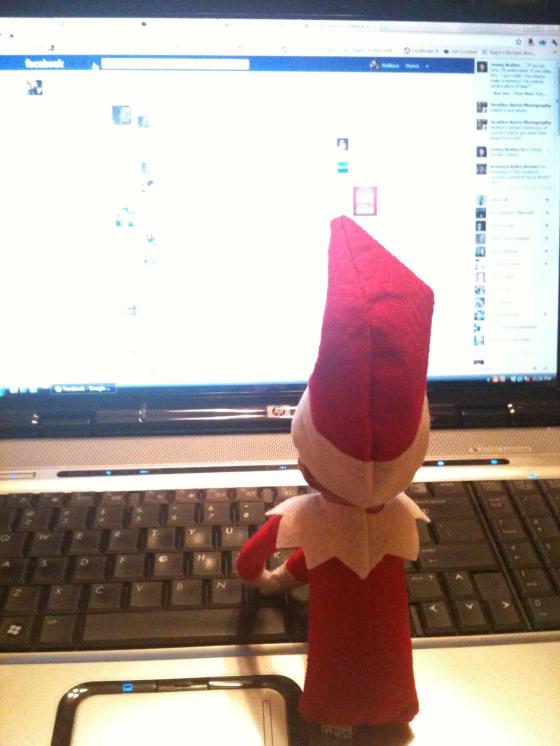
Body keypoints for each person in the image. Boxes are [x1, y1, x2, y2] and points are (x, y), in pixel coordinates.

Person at [237, 216, 434, 742]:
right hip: (390, 660)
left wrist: (265, 580)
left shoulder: (308, 517)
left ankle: (332, 720)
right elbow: (338, 555)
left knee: (333, 659)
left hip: (330, 642)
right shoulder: (401, 519)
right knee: (390, 652)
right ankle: (391, 710)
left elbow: (253, 560)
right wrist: (287, 577)